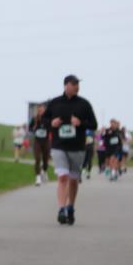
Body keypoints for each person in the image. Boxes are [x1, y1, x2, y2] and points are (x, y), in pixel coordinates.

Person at [43, 74, 97, 225]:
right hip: (59, 146)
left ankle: (70, 207)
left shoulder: (84, 104)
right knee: (62, 177)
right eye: (74, 84)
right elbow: (44, 120)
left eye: (78, 84)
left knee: (73, 180)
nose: (77, 87)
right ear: (66, 85)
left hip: (77, 147)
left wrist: (80, 123)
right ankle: (61, 210)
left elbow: (94, 124)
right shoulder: (54, 103)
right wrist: (51, 123)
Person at [29, 103, 51, 186]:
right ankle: (38, 177)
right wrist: (33, 129)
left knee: (45, 160)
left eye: (42, 110)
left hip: (46, 141)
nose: (40, 111)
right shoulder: (34, 119)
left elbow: (52, 128)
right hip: (37, 141)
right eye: (39, 110)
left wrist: (48, 128)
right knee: (37, 158)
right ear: (37, 111)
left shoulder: (48, 119)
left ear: (45, 110)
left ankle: (44, 171)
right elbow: (30, 128)